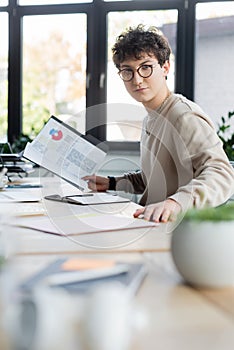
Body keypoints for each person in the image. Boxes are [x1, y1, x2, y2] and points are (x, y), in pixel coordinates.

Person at [83, 24, 234, 223]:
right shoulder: (150, 118)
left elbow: (222, 174)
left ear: (165, 67)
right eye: (128, 71)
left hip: (176, 228)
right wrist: (111, 182)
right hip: (148, 221)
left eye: (145, 67)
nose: (137, 79)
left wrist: (175, 203)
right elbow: (152, 179)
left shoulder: (183, 115)